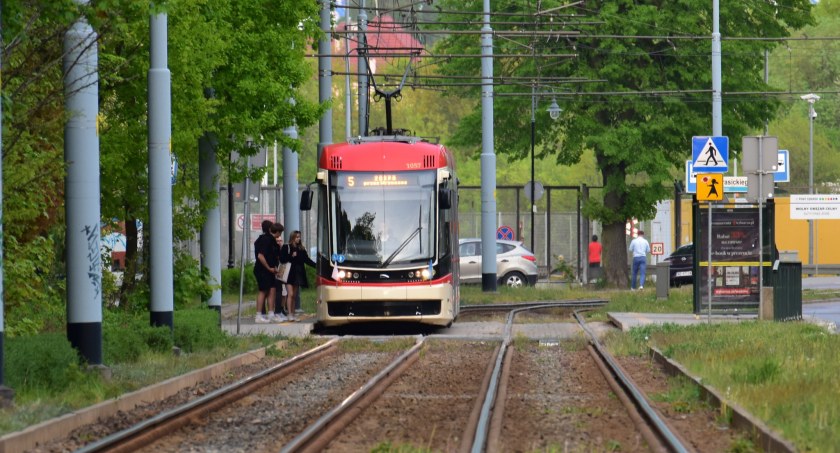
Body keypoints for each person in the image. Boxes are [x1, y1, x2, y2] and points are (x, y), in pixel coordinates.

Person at [279, 230, 316, 322]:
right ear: (292, 238)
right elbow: (282, 259)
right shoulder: (286, 247)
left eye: (299, 237)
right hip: (289, 273)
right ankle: (289, 314)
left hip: (298, 274)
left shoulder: (301, 249)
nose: (298, 239)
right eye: (297, 237)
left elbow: (307, 260)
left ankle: (293, 313)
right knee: (290, 294)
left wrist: (317, 266)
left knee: (294, 295)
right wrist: (291, 256)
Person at [253, 220, 283, 323]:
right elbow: (260, 256)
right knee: (263, 291)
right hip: (263, 270)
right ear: (271, 229)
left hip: (270, 270)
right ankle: (258, 315)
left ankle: (271, 313)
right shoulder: (266, 240)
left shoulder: (270, 240)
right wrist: (269, 268)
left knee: (272, 290)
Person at [273, 229, 289, 321]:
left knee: (284, 292)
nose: (279, 242)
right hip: (274, 273)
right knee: (276, 292)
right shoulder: (274, 249)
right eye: (277, 241)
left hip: (283, 272)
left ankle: (281, 308)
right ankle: (276, 310)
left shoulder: (284, 249)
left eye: (280, 241)